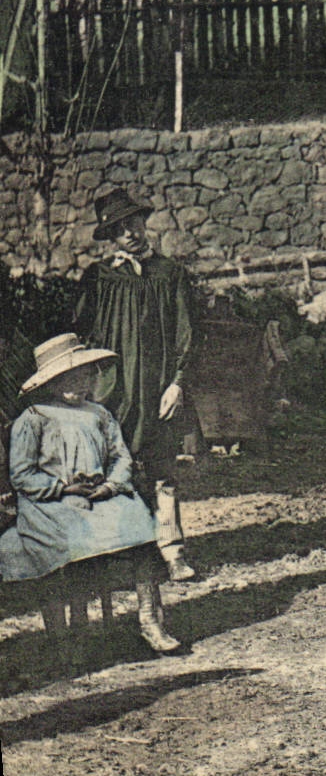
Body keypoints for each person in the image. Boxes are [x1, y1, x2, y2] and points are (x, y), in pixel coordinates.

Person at [0, 334, 181, 653]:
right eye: (69, 377)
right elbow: (22, 475)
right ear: (51, 382)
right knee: (65, 541)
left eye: (84, 376)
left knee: (138, 522)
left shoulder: (99, 415)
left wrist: (110, 485)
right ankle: (68, 639)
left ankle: (151, 621)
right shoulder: (33, 419)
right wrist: (63, 488)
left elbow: (121, 456)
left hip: (100, 496)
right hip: (52, 502)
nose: (78, 384)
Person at [75, 187, 199, 581]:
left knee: (163, 471)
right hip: (114, 391)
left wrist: (177, 383)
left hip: (157, 388)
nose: (129, 233)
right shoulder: (99, 279)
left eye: (133, 223)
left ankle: (172, 551)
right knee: (114, 470)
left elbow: (188, 334)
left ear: (144, 224)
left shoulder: (170, 274)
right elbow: (79, 333)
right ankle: (121, 555)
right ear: (110, 236)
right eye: (118, 228)